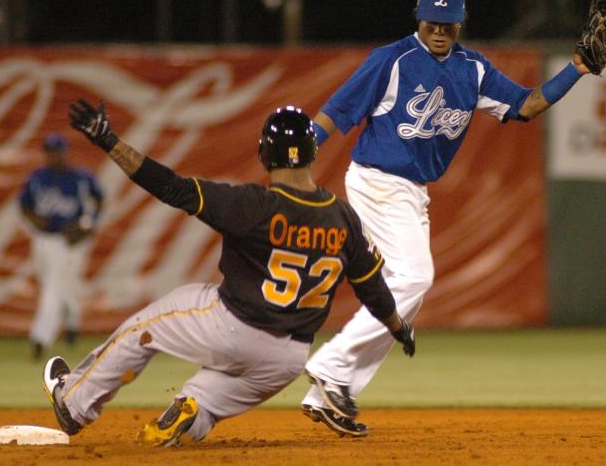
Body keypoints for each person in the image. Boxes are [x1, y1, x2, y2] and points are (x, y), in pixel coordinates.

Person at [300, 0, 593, 436]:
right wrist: (301, 153)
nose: (440, 30)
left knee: (403, 297)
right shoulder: (392, 60)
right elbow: (338, 111)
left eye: (448, 22)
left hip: (411, 191)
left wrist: (575, 69)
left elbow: (526, 106)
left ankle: (327, 393)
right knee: (416, 276)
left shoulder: (472, 70)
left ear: (461, 22)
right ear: (419, 17)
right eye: (433, 21)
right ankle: (331, 366)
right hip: (378, 180)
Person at [41, 100, 416, 447]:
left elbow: (171, 187)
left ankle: (73, 402)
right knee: (210, 395)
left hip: (230, 326)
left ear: (264, 155)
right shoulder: (344, 218)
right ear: (312, 153)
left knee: (141, 330)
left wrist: (109, 141)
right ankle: (193, 412)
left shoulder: (255, 205)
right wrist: (398, 327)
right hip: (287, 359)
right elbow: (373, 288)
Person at [19, 133, 104, 361]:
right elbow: (24, 205)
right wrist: (34, 219)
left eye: (56, 151)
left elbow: (98, 200)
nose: (52, 156)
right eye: (49, 151)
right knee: (56, 285)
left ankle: (40, 339)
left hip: (69, 242)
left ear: (64, 152)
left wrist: (87, 223)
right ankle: (72, 322)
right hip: (42, 240)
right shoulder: (37, 178)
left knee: (52, 290)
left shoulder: (79, 177)